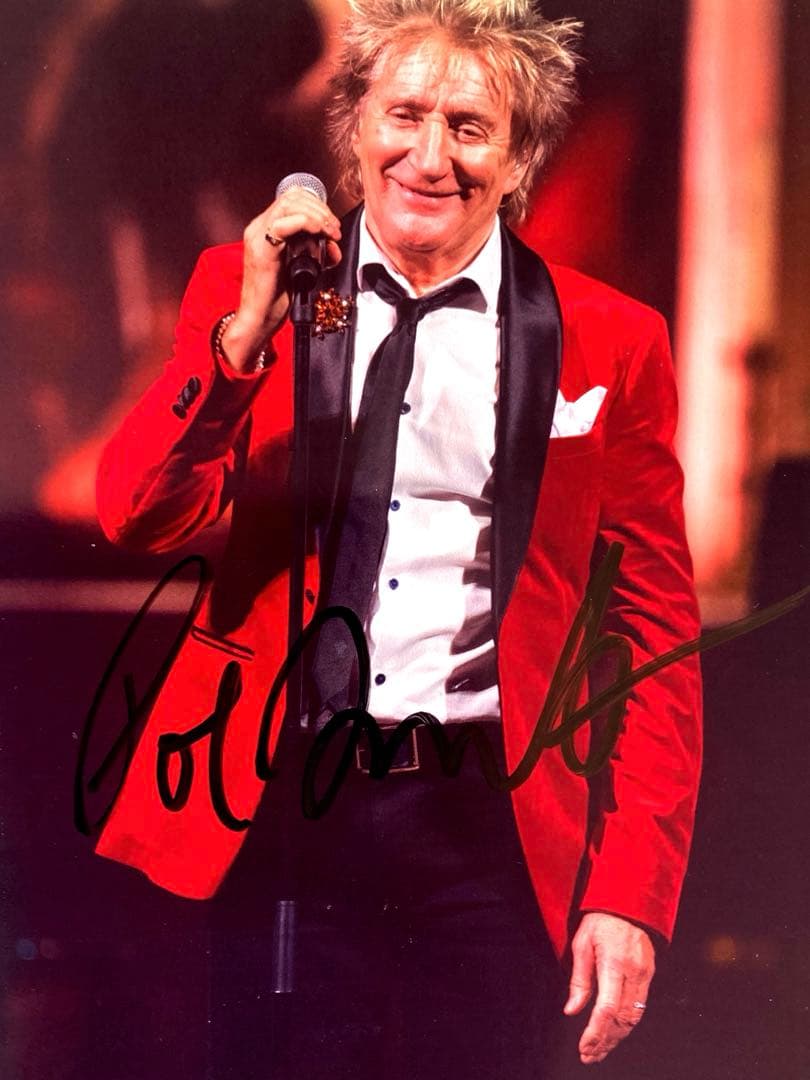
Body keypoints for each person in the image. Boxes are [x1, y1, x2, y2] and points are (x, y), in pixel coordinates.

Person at [93, 1, 702, 1076]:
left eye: (469, 127)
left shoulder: (613, 339)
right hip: (278, 809)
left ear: (519, 160)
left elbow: (654, 638)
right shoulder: (253, 296)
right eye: (404, 115)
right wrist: (239, 344)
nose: (429, 156)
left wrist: (629, 894)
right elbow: (137, 513)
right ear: (356, 130)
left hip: (490, 828)